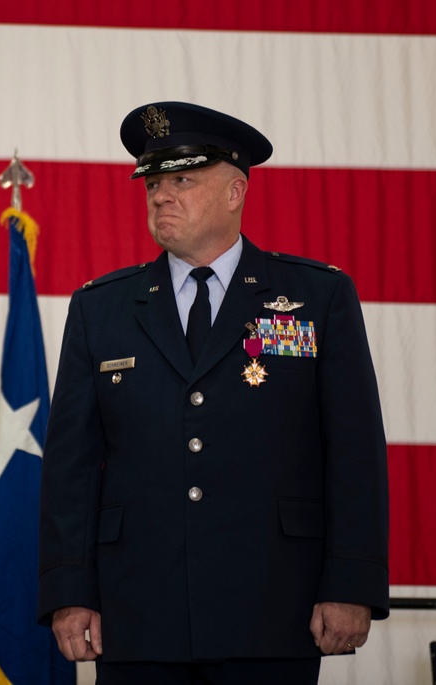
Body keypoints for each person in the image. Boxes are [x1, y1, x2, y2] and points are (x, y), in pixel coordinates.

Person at [37, 101, 389, 684]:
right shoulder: (102, 308)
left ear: (234, 192)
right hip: (138, 612)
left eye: (182, 179)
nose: (159, 195)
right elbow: (71, 465)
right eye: (153, 182)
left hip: (275, 610)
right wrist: (69, 591)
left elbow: (354, 453)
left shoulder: (317, 297)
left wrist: (351, 583)